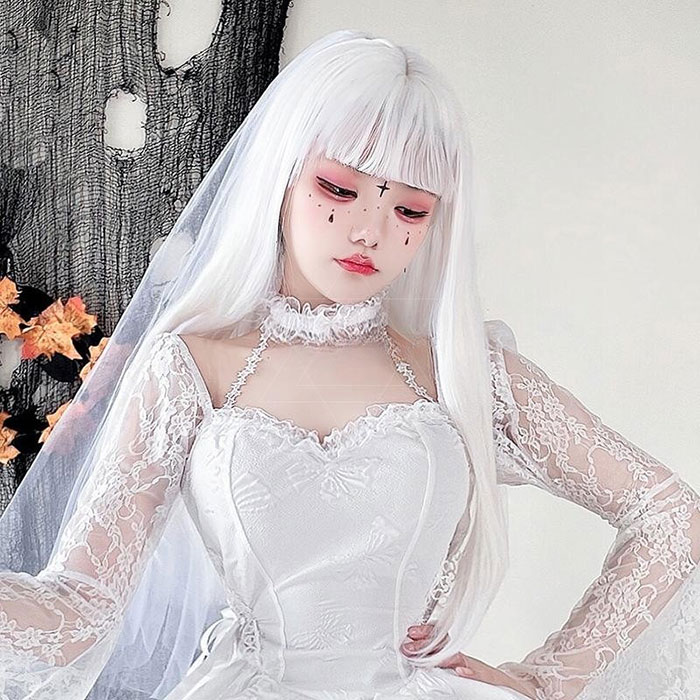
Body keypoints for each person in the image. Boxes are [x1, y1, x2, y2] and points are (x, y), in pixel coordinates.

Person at [0, 29, 698, 700]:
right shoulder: (188, 369)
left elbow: (669, 514)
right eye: (339, 189)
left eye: (411, 210)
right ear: (279, 176)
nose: (370, 230)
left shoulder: (465, 373)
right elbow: (80, 609)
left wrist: (548, 681)